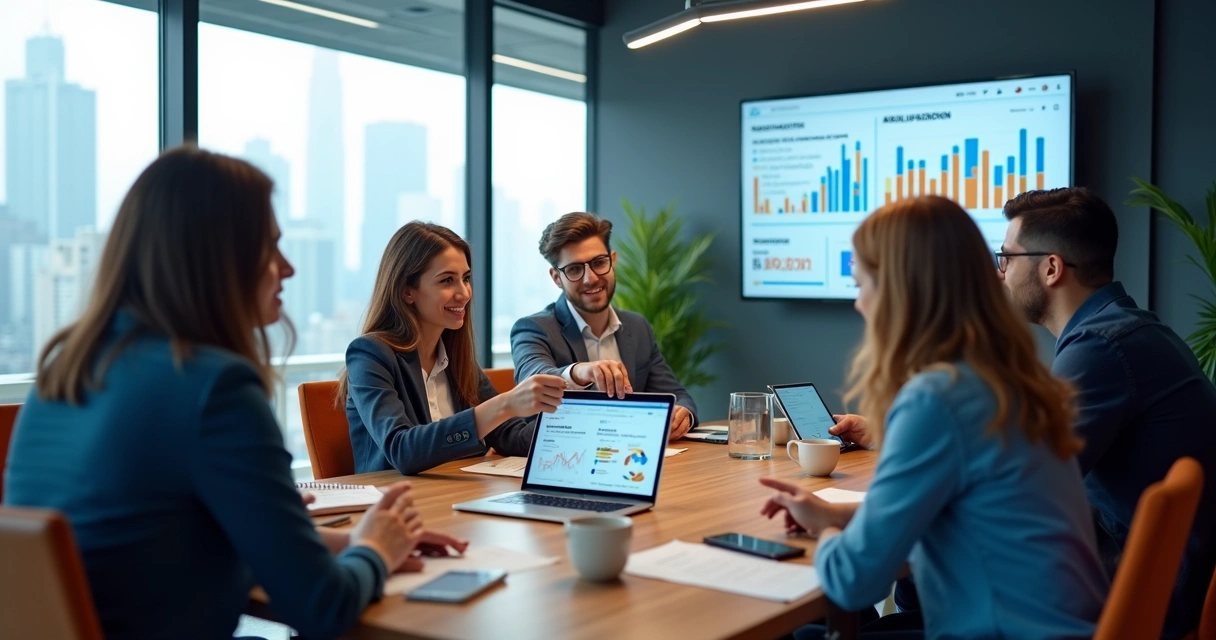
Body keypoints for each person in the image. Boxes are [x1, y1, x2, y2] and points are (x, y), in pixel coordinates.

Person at [3, 147, 465, 640]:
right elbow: (322, 608)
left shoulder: (65, 372)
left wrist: (350, 541)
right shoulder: (214, 388)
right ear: (216, 259)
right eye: (271, 248)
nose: (287, 268)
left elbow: (156, 542)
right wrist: (374, 551)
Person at [831, 187, 1216, 639]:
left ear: (1051, 268)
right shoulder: (1127, 331)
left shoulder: (1100, 348)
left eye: (1008, 258)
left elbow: (1013, 483)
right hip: (1134, 594)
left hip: (1110, 602)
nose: (1000, 273)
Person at [761, 196, 1108, 640]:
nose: (859, 304)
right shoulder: (1008, 383)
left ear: (899, 293)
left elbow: (852, 581)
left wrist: (827, 536)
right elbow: (955, 513)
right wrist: (834, 517)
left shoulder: (938, 399)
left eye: (861, 284)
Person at [342, 221, 566, 475]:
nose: (464, 293)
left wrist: (579, 426)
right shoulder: (370, 355)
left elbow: (510, 436)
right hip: (395, 497)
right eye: (447, 280)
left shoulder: (455, 358)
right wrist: (505, 404)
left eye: (466, 278)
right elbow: (402, 450)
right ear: (407, 292)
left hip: (456, 494)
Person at [510, 212, 698, 441]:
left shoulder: (637, 327)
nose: (590, 278)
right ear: (557, 278)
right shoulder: (533, 328)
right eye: (574, 269)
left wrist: (683, 415)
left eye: (599, 262)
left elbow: (676, 395)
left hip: (630, 456)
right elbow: (533, 379)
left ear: (612, 260)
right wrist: (579, 372)